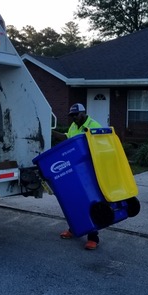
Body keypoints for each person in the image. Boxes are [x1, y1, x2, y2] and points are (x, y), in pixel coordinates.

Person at [51, 103, 102, 251]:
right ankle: (74, 229)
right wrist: (51, 132)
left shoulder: (93, 125)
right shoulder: (74, 127)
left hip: (89, 170)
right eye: (72, 116)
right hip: (74, 169)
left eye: (76, 115)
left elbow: (98, 146)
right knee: (74, 200)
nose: (73, 118)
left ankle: (93, 237)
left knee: (90, 202)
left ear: (83, 113)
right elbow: (67, 138)